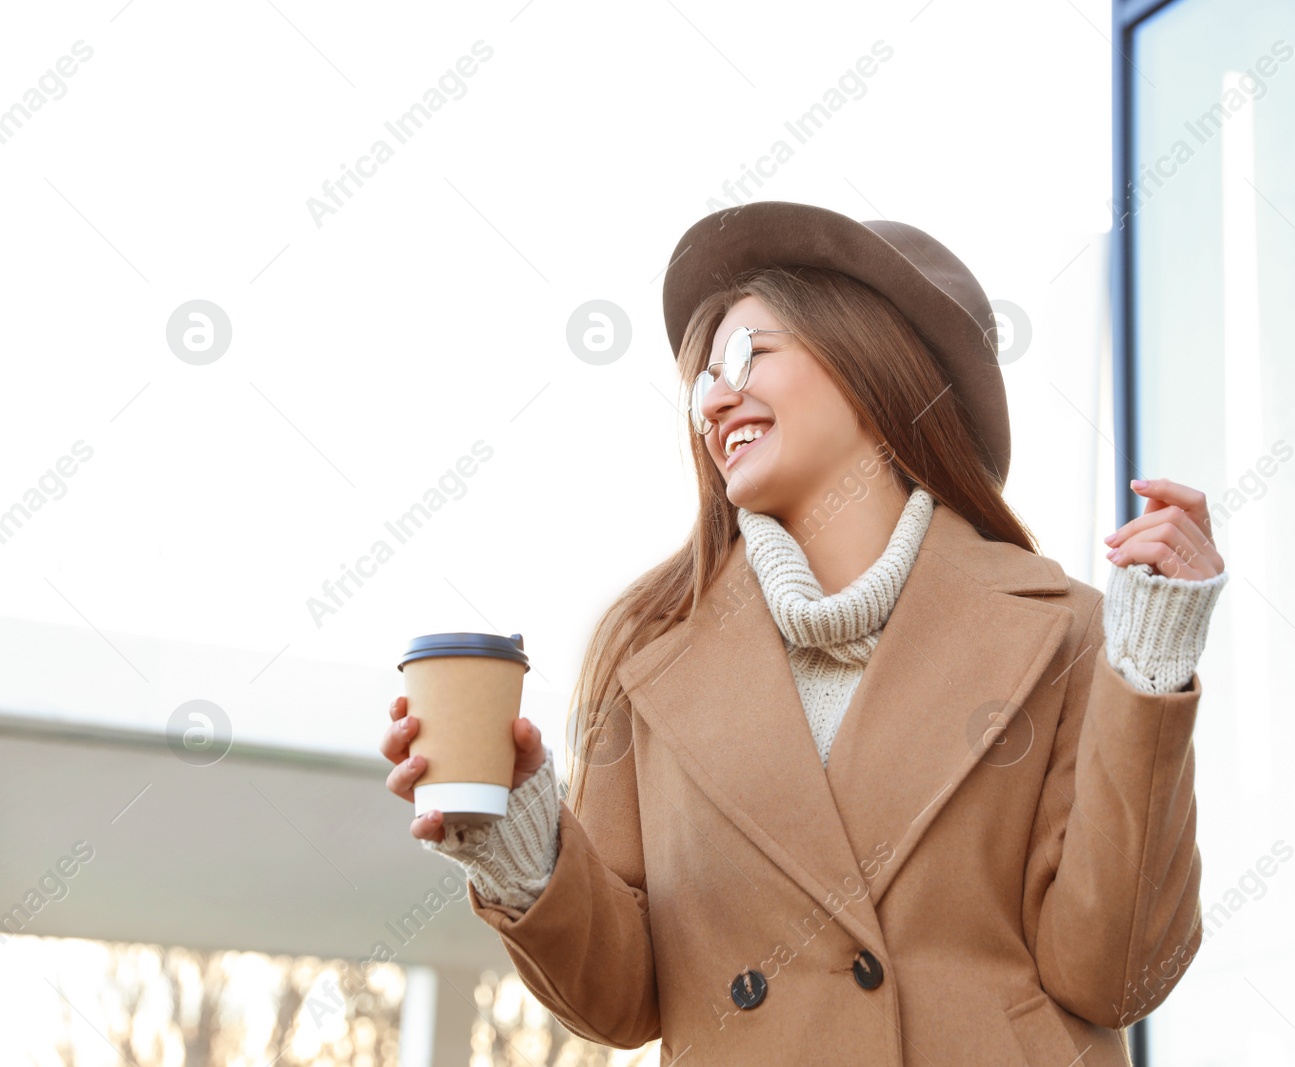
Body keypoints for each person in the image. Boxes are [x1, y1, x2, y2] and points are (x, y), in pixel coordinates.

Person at [380, 201, 1228, 1065]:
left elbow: (1114, 972)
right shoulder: (648, 650)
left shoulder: (1068, 633)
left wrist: (1153, 669)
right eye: (705, 375)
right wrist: (520, 844)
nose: (714, 397)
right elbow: (623, 998)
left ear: (872, 367)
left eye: (748, 354)